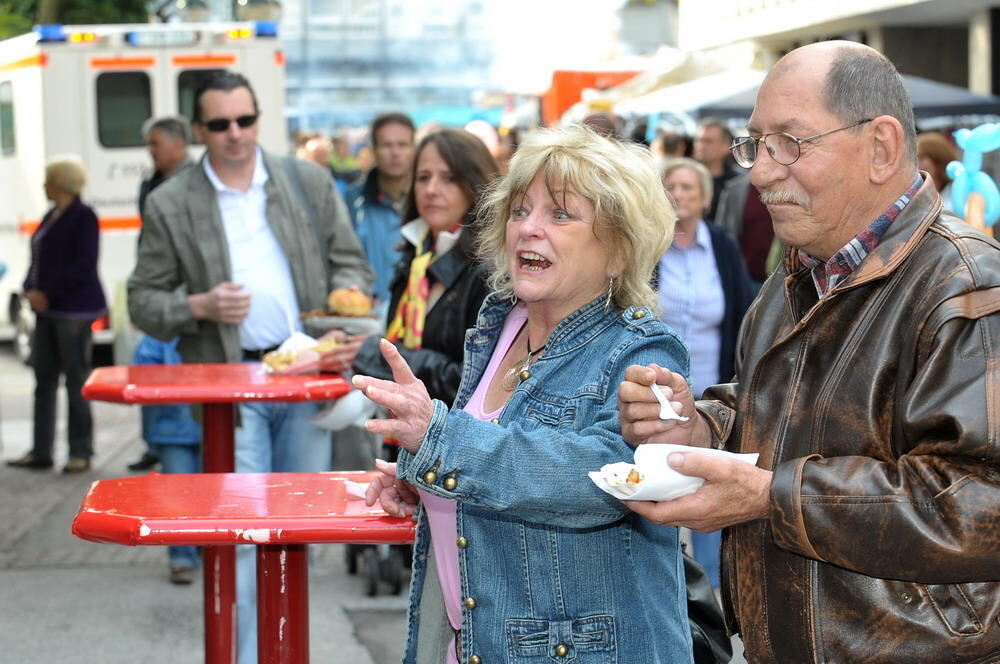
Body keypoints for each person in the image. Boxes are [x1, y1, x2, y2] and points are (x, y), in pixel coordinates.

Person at [618, 41, 1000, 663]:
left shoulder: (970, 285)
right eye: (755, 144)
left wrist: (771, 497)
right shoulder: (794, 278)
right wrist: (699, 428)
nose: (762, 171)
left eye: (790, 144)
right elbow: (784, 415)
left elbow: (981, 500)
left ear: (881, 147)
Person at [356, 126, 693, 664]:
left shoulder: (640, 350)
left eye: (560, 214)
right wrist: (423, 484)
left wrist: (439, 443)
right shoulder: (501, 326)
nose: (528, 229)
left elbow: (607, 479)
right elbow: (492, 464)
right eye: (519, 210)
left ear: (617, 250)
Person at [126, 70, 372, 663]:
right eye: (219, 124)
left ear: (258, 118)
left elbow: (352, 266)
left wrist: (341, 307)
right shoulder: (171, 200)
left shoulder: (306, 180)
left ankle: (282, 651)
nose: (235, 134)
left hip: (307, 377)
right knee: (241, 530)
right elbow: (142, 300)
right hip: (230, 386)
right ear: (199, 129)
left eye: (246, 120)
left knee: (295, 530)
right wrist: (198, 306)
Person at [327, 128, 497, 408]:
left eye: (449, 178)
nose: (431, 190)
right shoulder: (416, 257)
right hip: (405, 437)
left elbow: (471, 382)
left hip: (451, 440)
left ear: (475, 184)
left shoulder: (490, 271)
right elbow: (401, 341)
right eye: (423, 177)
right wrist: (351, 345)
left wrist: (375, 354)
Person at [657, 157, 753, 587]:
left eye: (688, 188)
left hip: (715, 394)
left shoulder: (722, 244)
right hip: (658, 398)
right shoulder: (650, 245)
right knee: (662, 491)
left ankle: (712, 595)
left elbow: (741, 313)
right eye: (672, 187)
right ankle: (666, 587)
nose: (679, 196)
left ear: (705, 198)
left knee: (711, 490)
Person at [8, 157, 107, 474]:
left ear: (60, 184)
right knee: (43, 378)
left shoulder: (84, 217)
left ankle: (80, 450)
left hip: (73, 310)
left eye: (47, 180)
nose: (43, 185)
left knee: (76, 379)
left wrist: (48, 293)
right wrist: (29, 288)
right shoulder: (51, 215)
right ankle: (42, 449)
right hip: (47, 310)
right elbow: (38, 258)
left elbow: (83, 265)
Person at [129, 115, 195, 472]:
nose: (150, 152)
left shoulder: (193, 186)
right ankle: (159, 441)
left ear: (178, 143)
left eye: (155, 144)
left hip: (182, 302)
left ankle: (168, 441)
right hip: (162, 301)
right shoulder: (154, 183)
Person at [132, 335, 201, 584]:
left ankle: (195, 551)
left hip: (175, 428)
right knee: (178, 496)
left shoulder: (154, 341)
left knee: (188, 496)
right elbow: (144, 385)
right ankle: (183, 554)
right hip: (173, 431)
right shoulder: (156, 340)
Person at [345, 112, 416, 318]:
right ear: (374, 150)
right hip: (366, 315)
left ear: (414, 149)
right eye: (387, 145)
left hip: (415, 317)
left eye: (402, 145)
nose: (395, 153)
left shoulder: (428, 200)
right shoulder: (352, 200)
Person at [693, 118, 739, 221]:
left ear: (726, 145)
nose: (701, 146)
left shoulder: (737, 182)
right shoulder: (684, 177)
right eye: (698, 140)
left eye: (708, 141)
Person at [917, 131, 959, 209]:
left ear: (938, 160)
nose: (916, 164)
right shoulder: (914, 197)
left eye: (921, 158)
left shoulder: (959, 193)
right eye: (913, 158)